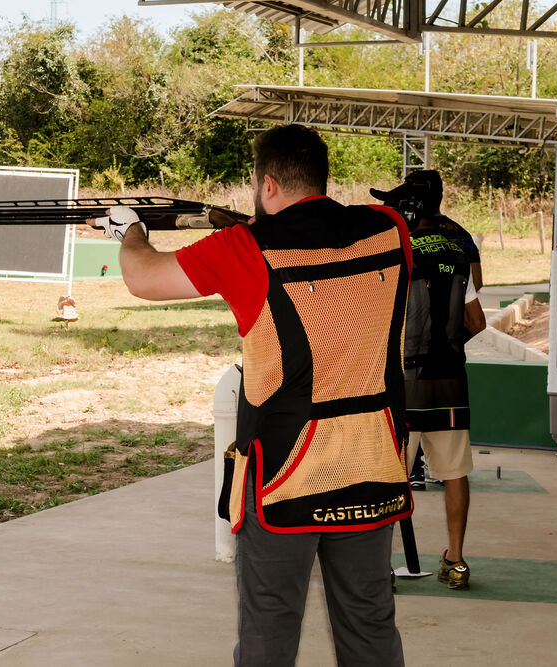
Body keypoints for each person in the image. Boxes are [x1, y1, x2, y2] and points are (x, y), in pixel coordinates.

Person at [90, 124, 412, 666]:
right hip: (371, 461)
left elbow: (144, 278)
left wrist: (132, 230)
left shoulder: (246, 249)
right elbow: (324, 241)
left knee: (269, 625)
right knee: (370, 621)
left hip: (285, 473)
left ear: (266, 184)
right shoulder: (389, 229)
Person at [371, 170, 487, 590]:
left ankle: (379, 566)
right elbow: (476, 320)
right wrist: (449, 343)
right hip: (450, 381)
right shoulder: (457, 247)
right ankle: (455, 562)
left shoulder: (395, 250)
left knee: (388, 476)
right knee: (455, 472)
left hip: (401, 384)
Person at [407, 184, 483, 490]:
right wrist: (448, 337)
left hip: (409, 368)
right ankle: (455, 541)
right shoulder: (461, 236)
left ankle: (414, 469)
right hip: (450, 370)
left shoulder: (403, 246)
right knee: (455, 472)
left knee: (391, 468)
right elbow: (477, 288)